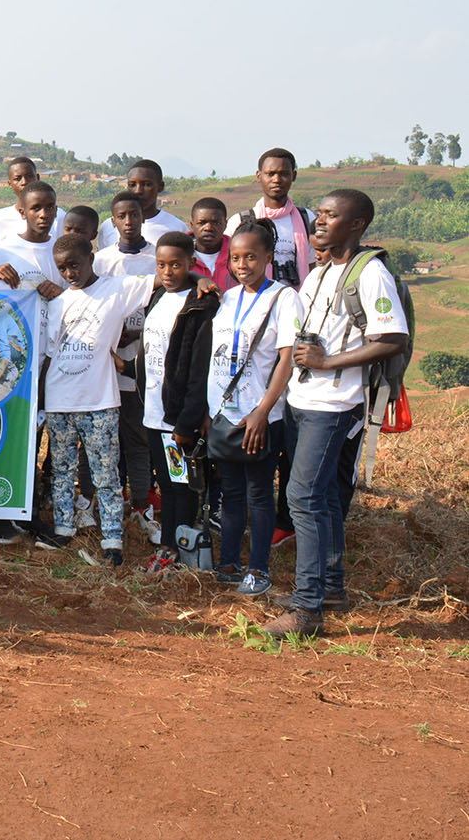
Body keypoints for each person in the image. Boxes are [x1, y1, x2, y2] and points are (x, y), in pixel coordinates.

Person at [263, 189, 408, 637]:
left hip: (334, 405)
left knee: (302, 498)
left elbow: (392, 338)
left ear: (357, 224)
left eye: (331, 216)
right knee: (321, 498)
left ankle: (307, 610)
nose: (319, 222)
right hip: (303, 401)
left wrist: (327, 363)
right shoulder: (320, 273)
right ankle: (329, 588)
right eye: (319, 215)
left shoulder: (371, 274)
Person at [35, 235, 157, 566]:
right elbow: (48, 355)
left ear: (91, 257)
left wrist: (201, 278)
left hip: (100, 401)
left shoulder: (116, 289)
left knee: (106, 475)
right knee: (61, 470)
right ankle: (63, 528)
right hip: (61, 401)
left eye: (74, 265)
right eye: (62, 268)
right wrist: (42, 400)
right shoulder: (56, 303)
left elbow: (161, 278)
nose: (69, 273)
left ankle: (113, 539)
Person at [206, 218, 300, 595]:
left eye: (251, 257)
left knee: (260, 493)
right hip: (225, 413)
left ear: (268, 257)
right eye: (236, 258)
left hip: (260, 416)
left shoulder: (283, 297)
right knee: (229, 493)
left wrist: (262, 411)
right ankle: (228, 561)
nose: (242, 265)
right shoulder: (227, 298)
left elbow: (287, 359)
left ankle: (259, 569)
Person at [131, 232, 218, 574]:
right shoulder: (156, 297)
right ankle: (174, 548)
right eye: (161, 264)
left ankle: (173, 549)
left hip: (177, 418)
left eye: (177, 265)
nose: (168, 272)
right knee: (167, 483)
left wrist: (186, 421)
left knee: (181, 487)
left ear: (191, 264)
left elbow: (199, 370)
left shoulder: (200, 305)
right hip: (153, 412)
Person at [93, 191, 160, 547]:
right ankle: (106, 503)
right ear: (113, 221)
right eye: (122, 216)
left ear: (143, 216)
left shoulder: (155, 257)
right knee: (106, 438)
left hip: (143, 360)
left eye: (135, 214)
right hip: (105, 363)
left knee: (137, 436)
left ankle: (142, 505)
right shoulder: (102, 261)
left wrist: (138, 331)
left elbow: (164, 300)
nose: (129, 221)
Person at [226, 147, 313, 288]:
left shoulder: (306, 219)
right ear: (259, 176)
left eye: (284, 174)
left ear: (294, 176)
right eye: (270, 174)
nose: (277, 180)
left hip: (299, 301)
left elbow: (313, 265)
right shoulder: (240, 221)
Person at [0, 181, 62, 293]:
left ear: (56, 211)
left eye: (50, 207)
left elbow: (77, 296)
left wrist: (61, 294)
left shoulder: (63, 252)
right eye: (36, 208)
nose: (43, 214)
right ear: (23, 213)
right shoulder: (1, 250)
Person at [0, 156, 66, 250]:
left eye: (29, 176)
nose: (24, 182)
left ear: (37, 177)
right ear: (10, 183)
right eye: (18, 178)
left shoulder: (59, 217)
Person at [97, 160, 186, 248]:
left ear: (160, 186)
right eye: (132, 185)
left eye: (146, 184)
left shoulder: (177, 228)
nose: (138, 191)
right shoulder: (108, 227)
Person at [190, 197, 231, 289]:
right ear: (192, 225)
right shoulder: (180, 256)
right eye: (202, 223)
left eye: (216, 223)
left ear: (225, 224)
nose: (208, 228)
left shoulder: (238, 254)